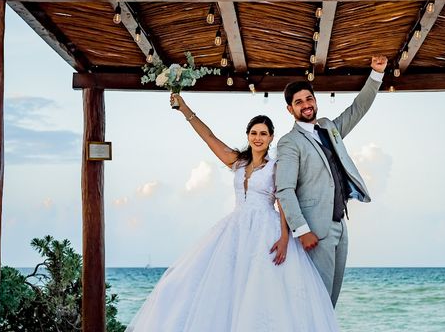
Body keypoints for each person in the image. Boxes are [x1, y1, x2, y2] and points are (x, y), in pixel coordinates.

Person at [127, 94, 340, 332]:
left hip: (265, 229)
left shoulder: (276, 166)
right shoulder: (237, 162)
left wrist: (283, 238)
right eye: (253, 133)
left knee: (263, 290)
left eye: (263, 134)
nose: (258, 138)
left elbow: (282, 202)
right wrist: (185, 109)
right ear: (248, 136)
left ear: (271, 138)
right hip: (235, 229)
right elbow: (209, 138)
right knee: (211, 286)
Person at [275, 55, 387, 306]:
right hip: (314, 229)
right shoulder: (289, 143)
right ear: (290, 109)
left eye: (309, 99)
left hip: (339, 224)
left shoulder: (329, 128)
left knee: (331, 300)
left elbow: (357, 109)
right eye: (299, 102)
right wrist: (302, 230)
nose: (306, 104)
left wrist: (376, 75)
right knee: (317, 299)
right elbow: (284, 190)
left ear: (315, 101)